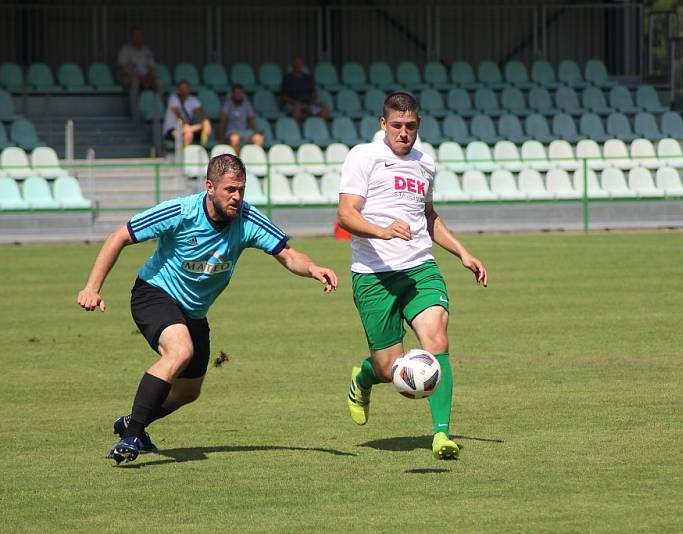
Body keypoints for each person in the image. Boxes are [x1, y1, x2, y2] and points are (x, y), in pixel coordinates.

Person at [77, 154, 338, 464]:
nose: (237, 197)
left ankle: (132, 421)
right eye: (230, 190)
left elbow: (289, 255)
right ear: (210, 187)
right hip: (155, 293)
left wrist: (313, 269)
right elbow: (119, 236)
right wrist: (92, 288)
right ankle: (132, 437)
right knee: (179, 352)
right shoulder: (182, 211)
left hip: (194, 312)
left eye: (241, 189)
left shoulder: (248, 219)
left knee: (188, 392)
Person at [337, 92, 488, 460]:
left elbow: (429, 216)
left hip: (420, 268)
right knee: (391, 369)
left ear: (418, 125)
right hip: (374, 276)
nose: (404, 133)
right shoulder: (363, 156)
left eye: (411, 127)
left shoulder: (426, 163)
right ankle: (364, 376)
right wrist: (382, 230)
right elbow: (346, 214)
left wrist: (462, 252)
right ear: (383, 124)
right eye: (397, 126)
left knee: (437, 339)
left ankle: (441, 435)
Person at [163, 80, 213, 147]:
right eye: (182, 89)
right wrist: (188, 127)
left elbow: (201, 113)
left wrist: (205, 122)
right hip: (172, 130)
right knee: (188, 133)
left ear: (189, 89)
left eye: (186, 88)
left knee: (205, 123)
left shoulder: (193, 99)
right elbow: (179, 116)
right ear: (178, 90)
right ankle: (186, 155)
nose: (184, 91)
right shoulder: (173, 98)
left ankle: (204, 148)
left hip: (188, 128)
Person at [280, 56, 330, 122]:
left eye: (300, 64)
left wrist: (311, 104)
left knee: (325, 109)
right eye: (296, 64)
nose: (298, 66)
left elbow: (314, 94)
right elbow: (284, 97)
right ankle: (298, 130)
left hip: (307, 104)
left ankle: (320, 129)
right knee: (297, 109)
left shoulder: (307, 78)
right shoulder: (287, 78)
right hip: (292, 105)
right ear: (293, 65)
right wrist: (296, 103)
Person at [117, 27, 164, 95]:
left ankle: (158, 105)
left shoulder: (147, 50)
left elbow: (152, 67)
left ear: (142, 37)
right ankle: (134, 106)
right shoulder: (125, 49)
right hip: (130, 77)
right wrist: (140, 78)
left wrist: (149, 77)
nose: (137, 37)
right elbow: (124, 68)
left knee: (159, 82)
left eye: (139, 36)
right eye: (135, 35)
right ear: (131, 37)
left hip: (146, 77)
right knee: (135, 81)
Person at [218, 84, 264, 154]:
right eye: (236, 93)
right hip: (232, 132)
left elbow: (251, 119)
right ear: (232, 94)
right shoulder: (227, 104)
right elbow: (223, 121)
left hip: (245, 131)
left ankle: (254, 159)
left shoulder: (247, 104)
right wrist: (221, 137)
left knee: (259, 138)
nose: (238, 95)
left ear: (243, 94)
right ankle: (238, 161)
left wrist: (254, 131)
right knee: (235, 139)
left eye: (240, 93)